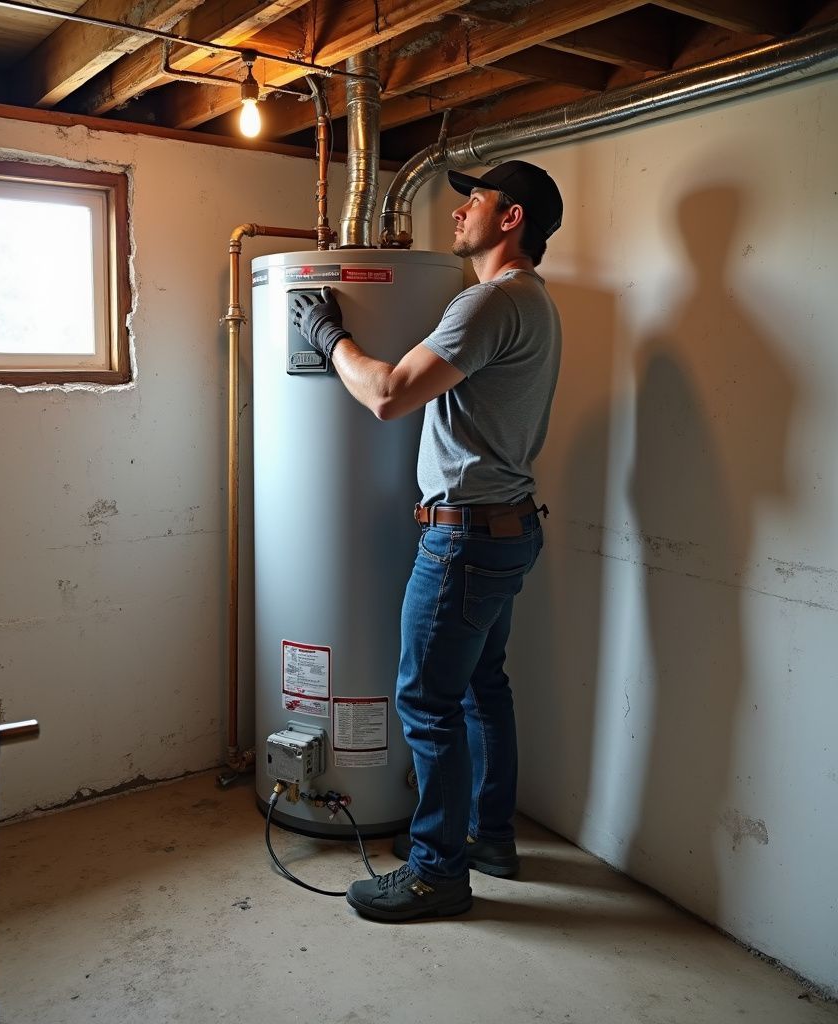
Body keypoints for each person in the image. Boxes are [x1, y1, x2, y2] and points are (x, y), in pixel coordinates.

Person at [291, 160, 563, 923]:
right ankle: (491, 837)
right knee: (484, 687)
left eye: (472, 199)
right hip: (509, 529)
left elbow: (387, 396)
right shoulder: (535, 303)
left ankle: (436, 872)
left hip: (465, 540)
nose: (456, 211)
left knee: (424, 702)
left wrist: (330, 336)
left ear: (510, 218)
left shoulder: (486, 303)